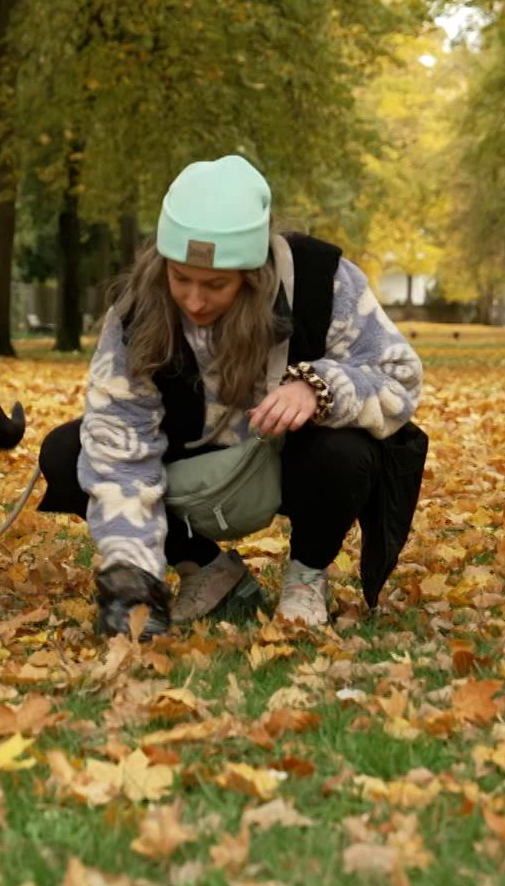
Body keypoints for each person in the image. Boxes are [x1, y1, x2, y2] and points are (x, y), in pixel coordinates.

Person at [37, 155, 428, 636]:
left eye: (216, 285)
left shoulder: (320, 280)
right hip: (188, 461)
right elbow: (118, 444)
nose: (195, 301)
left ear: (253, 274)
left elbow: (398, 376)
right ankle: (208, 571)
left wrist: (319, 387)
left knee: (345, 451)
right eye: (180, 279)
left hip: (292, 462)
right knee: (68, 451)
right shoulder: (137, 309)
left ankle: (306, 577)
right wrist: (132, 571)